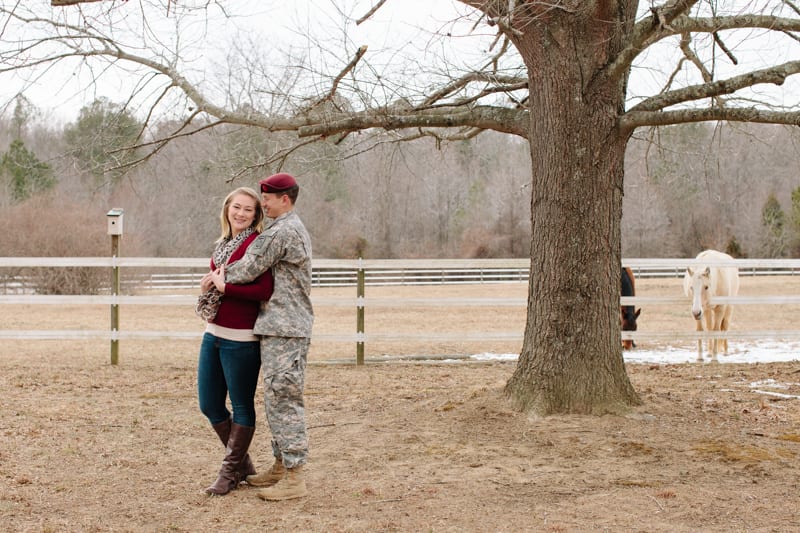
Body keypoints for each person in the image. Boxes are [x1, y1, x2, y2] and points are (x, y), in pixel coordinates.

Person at [210, 172, 313, 501]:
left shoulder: (282, 231)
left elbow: (246, 268)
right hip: (277, 327)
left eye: (266, 198)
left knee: (285, 402)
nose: (262, 203)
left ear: (285, 199)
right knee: (275, 400)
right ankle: (281, 466)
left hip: (287, 329)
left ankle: (295, 477)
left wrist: (217, 276)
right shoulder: (284, 228)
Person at [197, 186, 273, 496]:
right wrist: (208, 289)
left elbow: (263, 291)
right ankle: (243, 466)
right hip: (213, 333)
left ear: (256, 217)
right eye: (236, 207)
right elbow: (218, 285)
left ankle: (229, 472)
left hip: (242, 338)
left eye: (248, 210)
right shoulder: (223, 245)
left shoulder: (256, 244)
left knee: (241, 405)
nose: (240, 213)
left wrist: (226, 288)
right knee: (209, 403)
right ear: (227, 208)